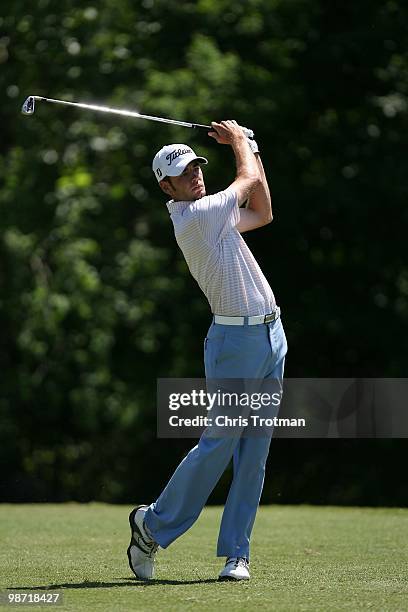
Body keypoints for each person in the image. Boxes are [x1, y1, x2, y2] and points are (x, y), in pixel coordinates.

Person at [127, 121, 288, 581]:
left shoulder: (213, 213)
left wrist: (250, 147)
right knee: (219, 444)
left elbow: (263, 210)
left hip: (271, 336)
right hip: (235, 343)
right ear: (166, 185)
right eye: (184, 171)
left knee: (254, 452)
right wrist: (241, 143)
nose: (196, 174)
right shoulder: (195, 217)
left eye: (197, 166)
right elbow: (246, 182)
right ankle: (151, 525)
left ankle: (237, 552)